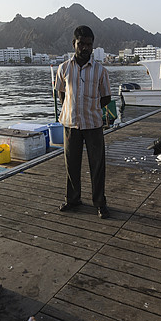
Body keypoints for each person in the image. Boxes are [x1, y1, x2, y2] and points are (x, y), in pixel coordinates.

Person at [55, 25, 112, 219]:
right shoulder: (63, 68)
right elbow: (61, 93)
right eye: (82, 44)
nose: (85, 48)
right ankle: (73, 200)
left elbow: (106, 98)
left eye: (89, 45)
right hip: (71, 124)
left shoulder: (100, 71)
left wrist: (92, 108)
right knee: (71, 164)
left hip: (94, 124)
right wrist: (72, 110)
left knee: (97, 165)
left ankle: (100, 202)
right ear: (74, 44)